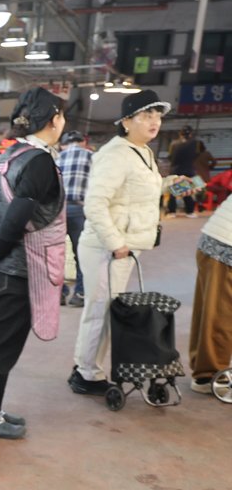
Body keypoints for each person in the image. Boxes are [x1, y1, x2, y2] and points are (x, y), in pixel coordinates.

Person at [0, 88, 68, 439]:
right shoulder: (39, 160)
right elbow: (18, 215)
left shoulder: (7, 157)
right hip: (17, 270)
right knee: (0, 348)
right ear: (54, 120)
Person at [70, 89, 169, 396]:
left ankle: (86, 366)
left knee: (107, 310)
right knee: (99, 310)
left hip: (123, 247)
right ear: (127, 121)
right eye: (147, 116)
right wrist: (115, 243)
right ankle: (87, 375)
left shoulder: (142, 151)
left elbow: (133, 192)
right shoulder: (116, 153)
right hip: (106, 247)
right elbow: (96, 204)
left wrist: (169, 184)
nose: (155, 122)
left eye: (158, 116)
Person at [190, 197, 232, 392]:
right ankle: (209, 376)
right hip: (224, 248)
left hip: (215, 244)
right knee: (220, 316)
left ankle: (204, 370)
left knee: (210, 311)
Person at [56, 131, 93, 306]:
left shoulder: (57, 158)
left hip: (57, 211)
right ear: (83, 143)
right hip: (80, 210)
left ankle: (59, 293)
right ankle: (80, 294)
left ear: (63, 144)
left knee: (56, 254)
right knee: (82, 254)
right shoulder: (93, 157)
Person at [166, 127, 202, 217]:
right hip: (189, 169)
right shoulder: (195, 143)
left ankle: (171, 212)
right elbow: (197, 155)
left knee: (173, 192)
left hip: (176, 169)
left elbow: (170, 156)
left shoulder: (173, 144)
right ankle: (190, 211)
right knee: (188, 190)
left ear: (180, 134)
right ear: (190, 134)